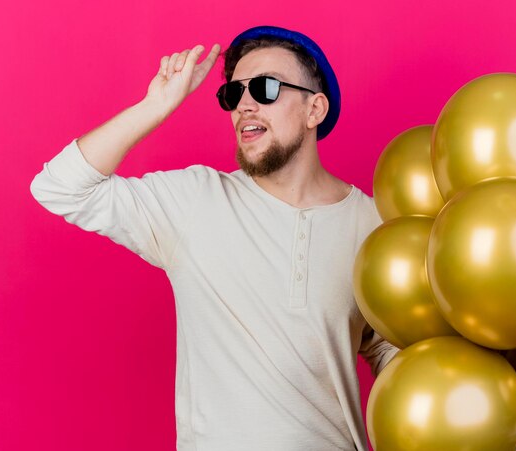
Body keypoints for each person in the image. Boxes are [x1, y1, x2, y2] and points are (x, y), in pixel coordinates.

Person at [30, 25, 398, 451]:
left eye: (265, 88)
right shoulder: (195, 202)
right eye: (233, 94)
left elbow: (392, 350)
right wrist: (156, 105)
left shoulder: (373, 223)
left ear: (315, 109)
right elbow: (59, 187)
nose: (244, 104)